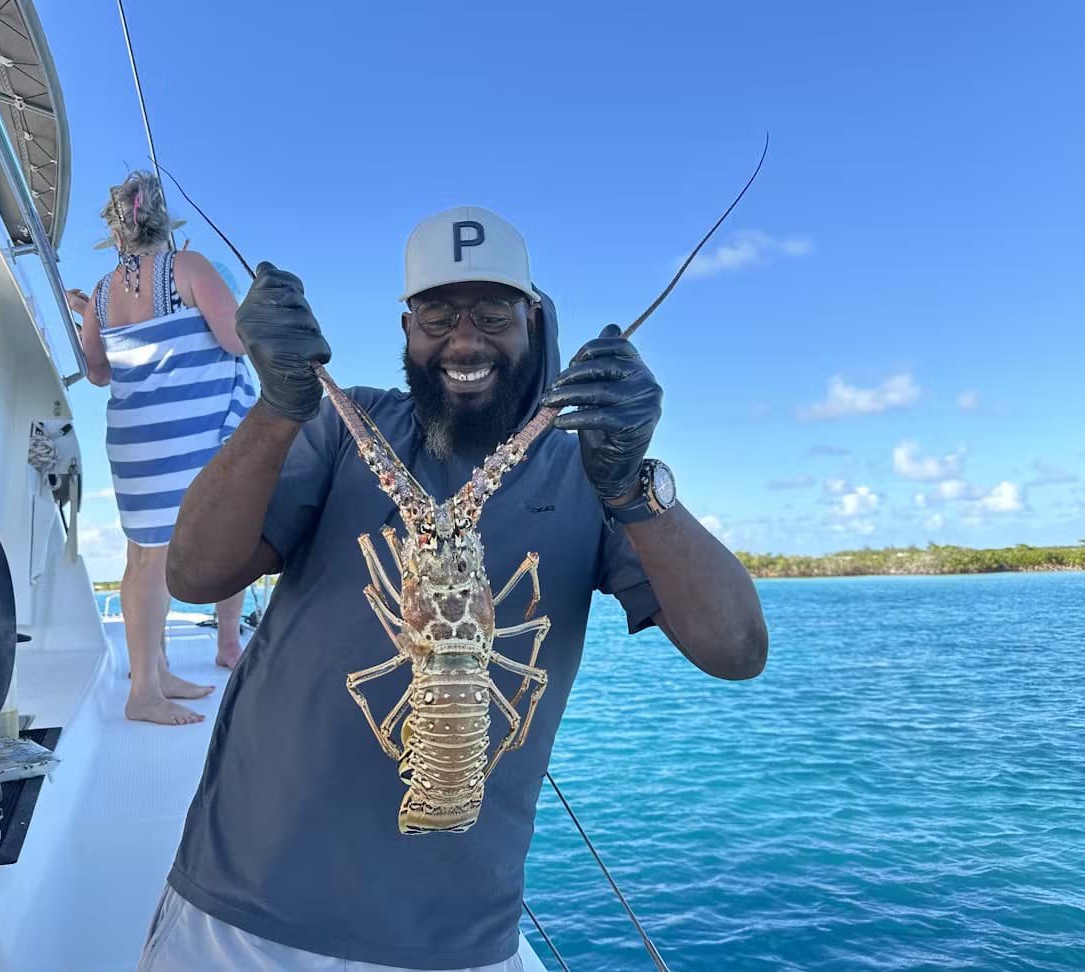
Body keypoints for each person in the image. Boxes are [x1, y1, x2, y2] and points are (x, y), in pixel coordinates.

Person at [145, 206, 769, 968]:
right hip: (245, 912)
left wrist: (634, 488)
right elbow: (194, 573)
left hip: (456, 939)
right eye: (438, 315)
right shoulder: (349, 429)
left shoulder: (586, 471)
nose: (465, 339)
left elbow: (736, 650)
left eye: (493, 314)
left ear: (533, 320)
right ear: (407, 327)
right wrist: (279, 408)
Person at [69, 171, 256, 726]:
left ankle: (158, 673)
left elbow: (98, 374)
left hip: (134, 439)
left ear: (116, 233)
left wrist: (92, 320)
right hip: (190, 437)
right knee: (181, 553)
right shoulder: (191, 268)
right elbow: (236, 340)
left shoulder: (101, 294)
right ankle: (143, 694)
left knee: (142, 556)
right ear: (163, 221)